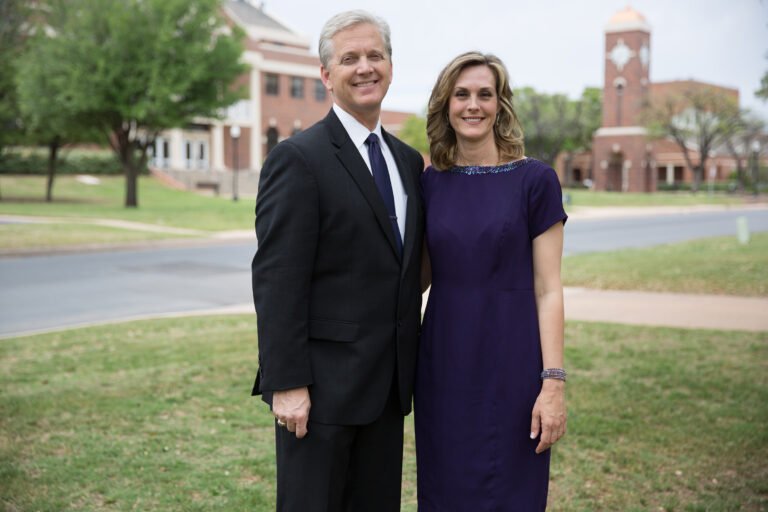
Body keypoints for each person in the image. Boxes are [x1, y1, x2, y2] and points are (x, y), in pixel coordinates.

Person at [250, 10, 425, 512]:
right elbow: (278, 279)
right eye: (349, 59)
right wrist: (286, 384)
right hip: (320, 396)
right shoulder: (298, 159)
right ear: (326, 75)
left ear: (390, 65)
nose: (365, 67)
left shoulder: (408, 161)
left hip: (389, 392)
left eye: (375, 55)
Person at [415, 52, 568, 510]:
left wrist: (553, 382)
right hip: (443, 364)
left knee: (510, 492)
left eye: (485, 94)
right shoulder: (429, 184)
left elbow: (549, 289)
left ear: (501, 104)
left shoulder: (536, 181)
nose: (473, 105)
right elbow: (417, 277)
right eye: (461, 94)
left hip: (514, 363)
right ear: (446, 104)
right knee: (446, 490)